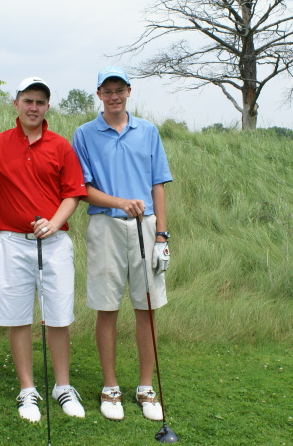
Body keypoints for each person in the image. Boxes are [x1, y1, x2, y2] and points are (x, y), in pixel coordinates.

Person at [0, 77, 87, 422]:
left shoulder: (61, 146)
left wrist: (54, 223)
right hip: (12, 242)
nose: (34, 107)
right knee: (17, 317)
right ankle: (27, 389)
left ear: (47, 107)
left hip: (53, 244)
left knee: (58, 316)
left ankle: (62, 386)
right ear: (16, 104)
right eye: (28, 100)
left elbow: (73, 194)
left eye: (40, 102)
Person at [72, 66, 173, 422]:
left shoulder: (148, 130)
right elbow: (82, 189)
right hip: (105, 225)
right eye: (107, 91)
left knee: (147, 306)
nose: (113, 96)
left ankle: (146, 387)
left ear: (129, 91)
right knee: (106, 307)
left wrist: (162, 235)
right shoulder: (84, 134)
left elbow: (158, 184)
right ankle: (110, 387)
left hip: (146, 226)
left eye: (119, 90)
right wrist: (119, 202)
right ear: (99, 94)